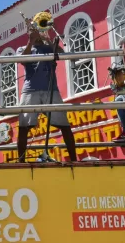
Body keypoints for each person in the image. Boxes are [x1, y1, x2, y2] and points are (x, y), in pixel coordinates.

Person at [15, 23, 77, 162]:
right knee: (24, 126)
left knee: (64, 125)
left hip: (51, 89)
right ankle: (21, 161)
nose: (36, 32)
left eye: (37, 29)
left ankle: (74, 159)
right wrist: (31, 42)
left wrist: (49, 40)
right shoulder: (22, 48)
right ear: (28, 33)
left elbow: (62, 54)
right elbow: (21, 60)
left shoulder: (48, 47)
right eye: (32, 30)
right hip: (30, 90)